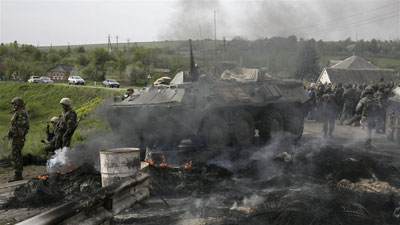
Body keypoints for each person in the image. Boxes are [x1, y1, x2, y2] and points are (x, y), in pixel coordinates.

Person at [8, 97, 29, 182]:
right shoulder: (18, 112)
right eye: (13, 104)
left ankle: (18, 174)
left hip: (19, 137)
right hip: (17, 137)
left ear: (19, 104)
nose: (13, 106)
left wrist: (13, 121)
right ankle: (18, 173)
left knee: (16, 155)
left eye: (15, 104)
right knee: (16, 154)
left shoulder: (22, 113)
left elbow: (23, 124)